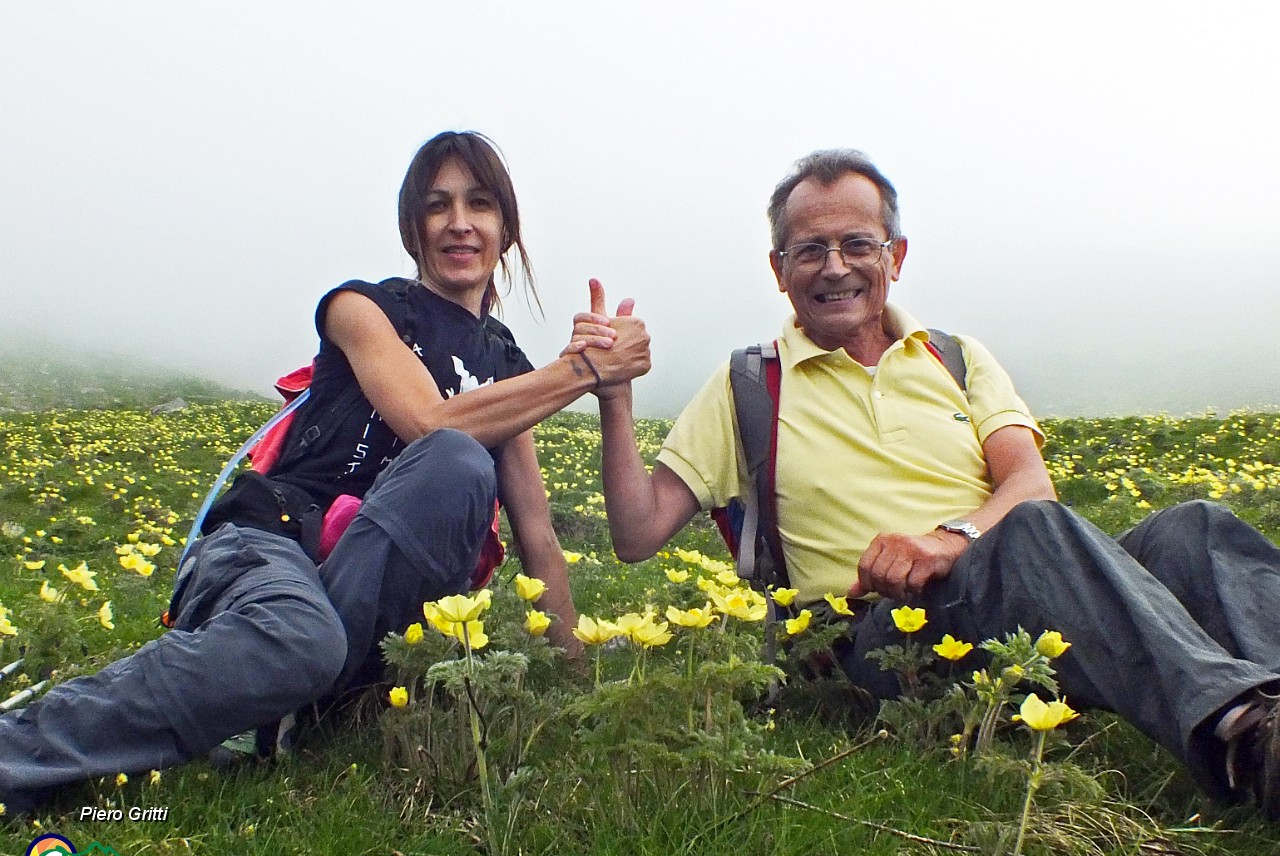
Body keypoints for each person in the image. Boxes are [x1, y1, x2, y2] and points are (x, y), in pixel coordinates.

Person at [576, 148, 1280, 819]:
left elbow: (1029, 483)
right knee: (1028, 537)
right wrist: (613, 396)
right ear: (778, 269)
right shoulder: (747, 385)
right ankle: (1241, 735)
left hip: (1003, 577)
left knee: (1195, 528)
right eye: (809, 250)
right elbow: (637, 534)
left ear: (896, 256)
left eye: (858, 244)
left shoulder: (956, 357)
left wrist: (950, 541)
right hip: (881, 638)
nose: (835, 267)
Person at [0, 131, 649, 813]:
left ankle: (280, 702)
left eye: (480, 204)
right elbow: (429, 422)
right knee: (324, 606)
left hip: (372, 607)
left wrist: (577, 698)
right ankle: (22, 751)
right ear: (413, 229)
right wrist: (580, 370)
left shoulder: (510, 370)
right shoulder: (361, 308)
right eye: (438, 206)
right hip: (271, 545)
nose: (460, 222)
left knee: (342, 602)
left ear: (505, 230)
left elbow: (539, 541)